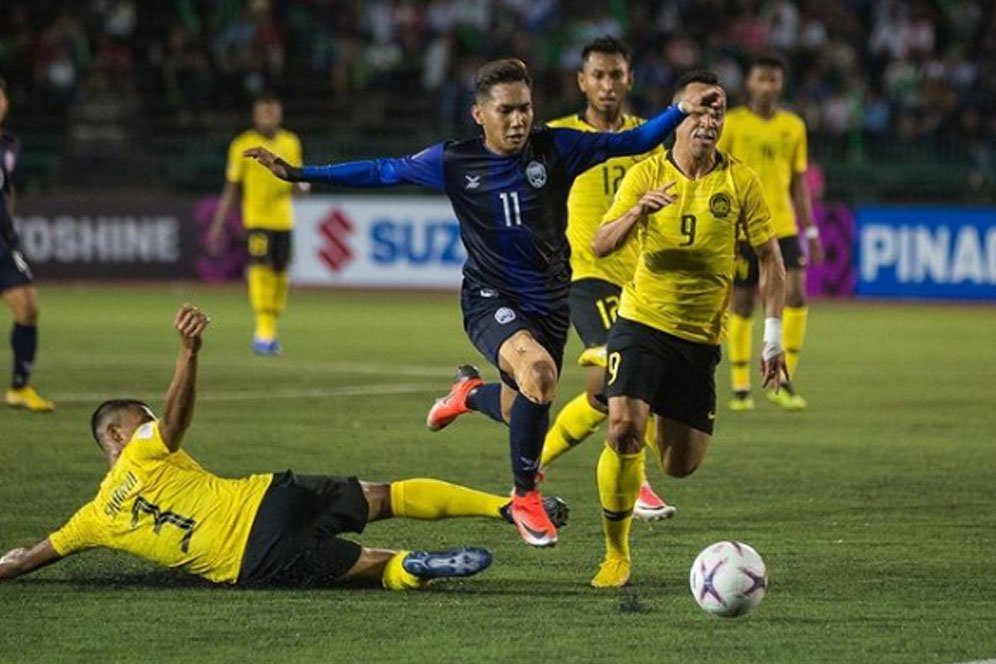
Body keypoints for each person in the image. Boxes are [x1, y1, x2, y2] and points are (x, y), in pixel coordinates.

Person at [245, 59, 720, 549]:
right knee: (539, 377)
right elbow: (382, 171)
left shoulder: (557, 146)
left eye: (525, 110)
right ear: (479, 114)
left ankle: (468, 394)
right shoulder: (454, 161)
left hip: (549, 302)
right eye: (506, 111)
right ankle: (524, 496)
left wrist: (676, 110)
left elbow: (633, 142)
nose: (518, 121)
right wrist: (299, 172)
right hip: (488, 297)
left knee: (524, 405)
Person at [0, 304, 568, 590]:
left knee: (364, 569)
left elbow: (27, 557)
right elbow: (172, 421)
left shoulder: (93, 518)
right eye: (137, 417)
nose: (147, 419)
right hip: (268, 499)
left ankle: (411, 566)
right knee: (384, 496)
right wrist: (189, 354)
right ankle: (502, 506)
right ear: (117, 435)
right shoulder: (145, 445)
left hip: (250, 561)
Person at [588, 71, 787, 588]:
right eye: (699, 109)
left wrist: (773, 338)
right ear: (678, 115)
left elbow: (770, 259)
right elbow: (600, 245)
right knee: (623, 430)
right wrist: (637, 209)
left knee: (680, 465)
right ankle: (616, 554)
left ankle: (641, 399)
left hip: (700, 339)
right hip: (641, 322)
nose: (709, 121)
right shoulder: (645, 173)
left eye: (717, 111)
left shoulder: (739, 181)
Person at [542, 37, 675, 522]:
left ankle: (536, 461)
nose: (607, 83)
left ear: (629, 79)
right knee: (628, 382)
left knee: (601, 392)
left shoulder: (650, 138)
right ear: (582, 82)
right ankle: (637, 484)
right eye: (597, 74)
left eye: (616, 74)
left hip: (640, 283)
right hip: (585, 276)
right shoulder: (556, 136)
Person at [717, 55, 823, 412]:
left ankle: (784, 380)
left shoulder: (793, 126)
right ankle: (741, 386)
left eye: (773, 80)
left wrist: (810, 230)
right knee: (743, 304)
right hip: (742, 228)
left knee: (796, 296)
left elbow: (799, 182)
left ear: (781, 84)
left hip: (783, 226)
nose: (767, 86)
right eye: (761, 78)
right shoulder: (731, 124)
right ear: (749, 82)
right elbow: (718, 175)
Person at [207, 93, 306, 356]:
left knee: (280, 274)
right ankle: (263, 332)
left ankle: (270, 328)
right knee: (260, 271)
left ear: (280, 114)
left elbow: (299, 180)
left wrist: (302, 186)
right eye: (263, 112)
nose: (268, 117)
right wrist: (218, 224)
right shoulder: (243, 144)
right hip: (258, 220)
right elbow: (231, 188)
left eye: (272, 112)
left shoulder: (290, 141)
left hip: (284, 220)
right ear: (254, 116)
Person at [0, 77, 53, 413]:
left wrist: (9, 224)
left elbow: (8, 189)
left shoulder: (9, 144)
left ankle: (20, 387)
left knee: (28, 308)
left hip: (2, 241)